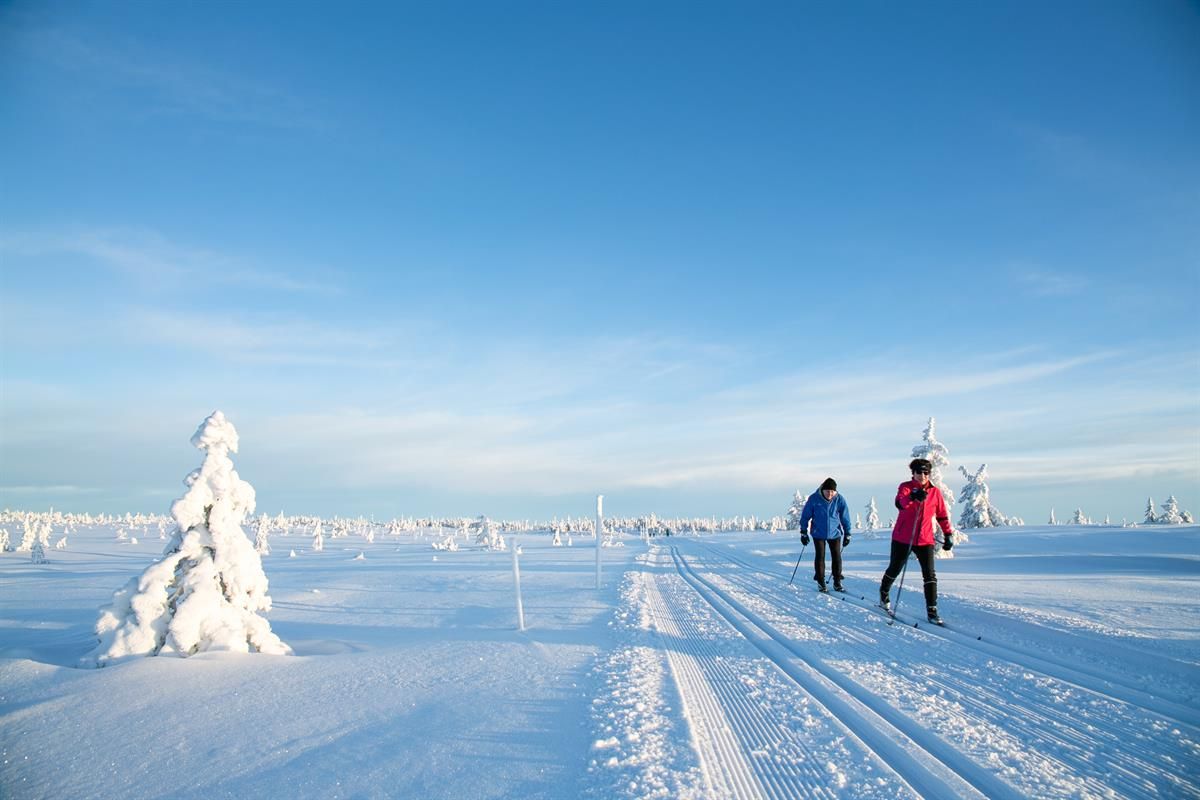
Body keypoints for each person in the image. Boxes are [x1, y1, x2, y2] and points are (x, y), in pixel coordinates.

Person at [878, 458, 955, 625]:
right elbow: (900, 503)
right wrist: (913, 496)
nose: (923, 475)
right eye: (919, 472)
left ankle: (932, 610)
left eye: (926, 472)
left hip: (925, 539)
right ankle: (884, 594)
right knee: (895, 568)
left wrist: (948, 534)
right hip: (903, 538)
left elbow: (941, 515)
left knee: (929, 574)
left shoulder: (935, 492)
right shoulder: (905, 487)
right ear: (913, 473)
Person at [799, 477, 852, 592]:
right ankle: (821, 582)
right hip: (818, 533)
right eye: (828, 491)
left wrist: (847, 533)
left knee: (836, 557)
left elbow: (845, 517)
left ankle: (837, 582)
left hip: (835, 533)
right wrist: (803, 532)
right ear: (823, 490)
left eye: (832, 491)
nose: (830, 494)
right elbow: (805, 516)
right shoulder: (814, 499)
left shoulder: (839, 499)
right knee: (820, 556)